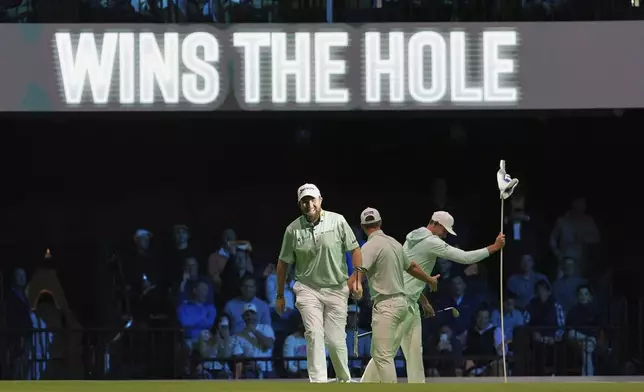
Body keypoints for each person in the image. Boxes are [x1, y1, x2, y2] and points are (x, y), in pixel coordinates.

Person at [399, 211, 506, 383]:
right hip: (401, 303)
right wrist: (494, 247)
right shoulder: (431, 242)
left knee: (413, 352)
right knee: (387, 352)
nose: (445, 235)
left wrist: (423, 299)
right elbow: (464, 258)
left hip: (408, 300)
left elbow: (408, 277)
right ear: (436, 224)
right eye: (445, 231)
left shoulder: (412, 237)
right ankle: (365, 384)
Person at [275, 183, 363, 383]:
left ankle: (343, 379)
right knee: (313, 334)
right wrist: (280, 296)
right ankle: (319, 383)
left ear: (320, 200)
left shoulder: (338, 221)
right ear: (299, 204)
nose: (309, 204)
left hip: (336, 288)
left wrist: (357, 279)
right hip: (307, 289)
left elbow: (355, 250)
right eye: (304, 200)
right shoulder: (292, 230)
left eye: (312, 199)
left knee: (334, 340)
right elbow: (282, 264)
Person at [355, 208, 440, 383]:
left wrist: (352, 288)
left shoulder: (369, 246)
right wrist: (429, 279)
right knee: (379, 353)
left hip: (386, 305)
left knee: (384, 355)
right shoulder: (394, 243)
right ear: (379, 223)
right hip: (402, 304)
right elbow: (413, 268)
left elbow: (358, 274)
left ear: (363, 227)